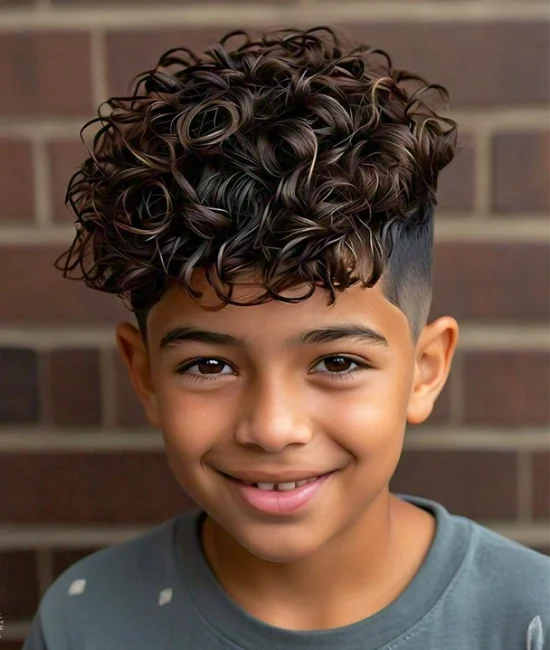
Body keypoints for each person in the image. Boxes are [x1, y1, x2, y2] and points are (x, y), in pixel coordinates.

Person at [23, 26, 548, 650]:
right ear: (144, 375)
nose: (273, 429)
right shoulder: (84, 622)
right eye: (211, 365)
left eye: (338, 360)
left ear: (425, 369)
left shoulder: (528, 618)